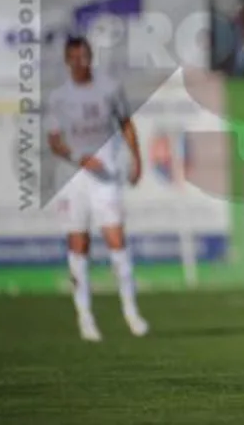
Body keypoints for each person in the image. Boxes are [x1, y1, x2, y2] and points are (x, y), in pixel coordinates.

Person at [45, 36, 147, 342]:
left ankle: (131, 313)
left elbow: (126, 123)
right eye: (75, 57)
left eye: (85, 56)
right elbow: (54, 141)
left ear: (91, 56)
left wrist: (136, 159)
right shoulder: (59, 97)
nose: (81, 62)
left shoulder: (110, 88)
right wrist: (79, 157)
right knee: (79, 245)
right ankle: (85, 317)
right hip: (73, 178)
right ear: (67, 60)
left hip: (106, 175)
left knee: (117, 240)